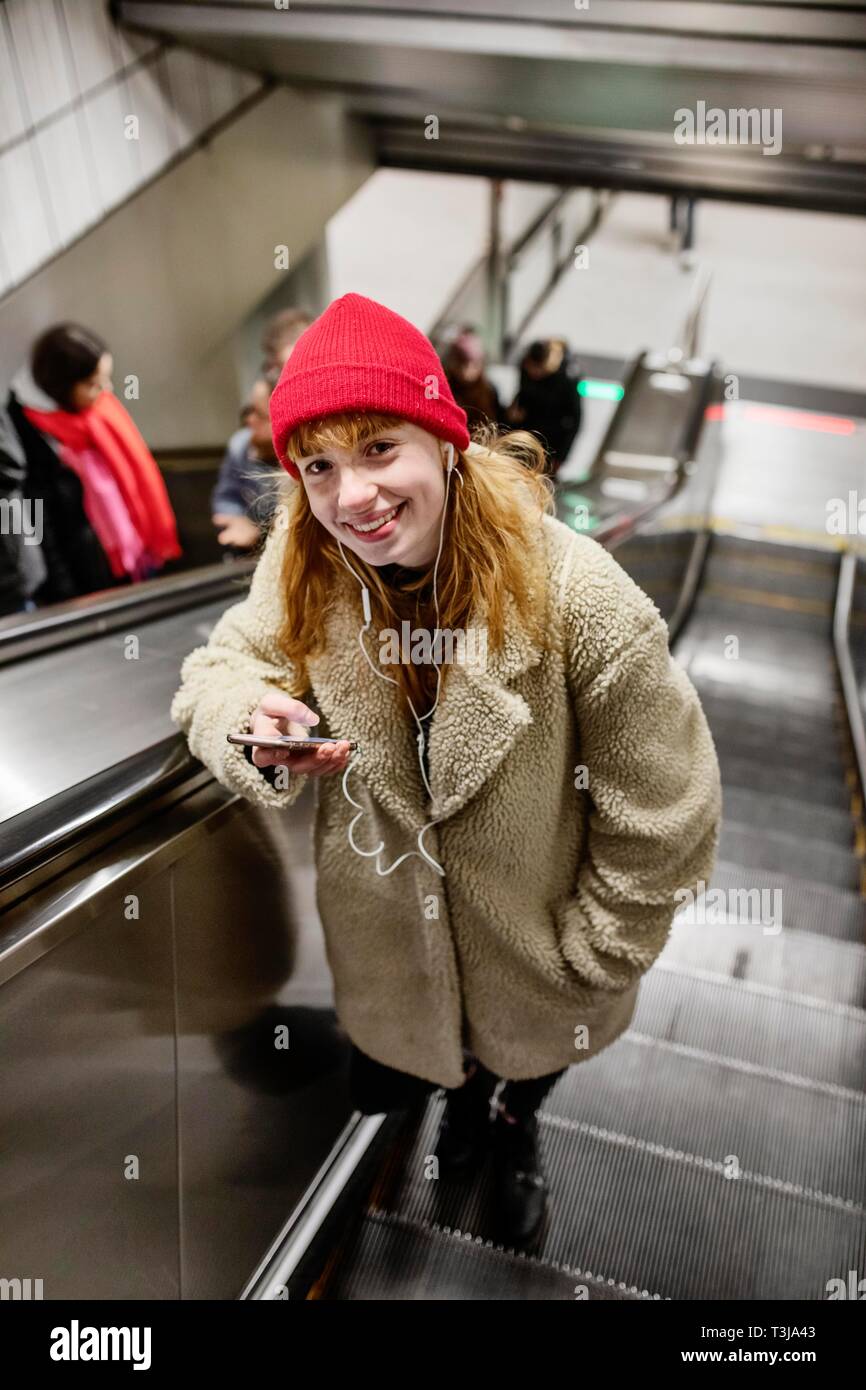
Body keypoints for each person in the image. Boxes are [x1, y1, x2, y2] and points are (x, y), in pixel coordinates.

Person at [170, 293, 722, 1250]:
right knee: (427, 1070)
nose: (352, 498)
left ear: (444, 441)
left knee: (522, 1070)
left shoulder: (579, 597)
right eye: (319, 466)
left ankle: (510, 1126)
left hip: (541, 955)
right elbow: (218, 670)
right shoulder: (304, 560)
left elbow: (667, 808)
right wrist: (241, 718)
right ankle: (464, 1115)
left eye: (379, 448)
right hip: (389, 956)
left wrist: (591, 959)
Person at [0, 323, 181, 616]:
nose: (106, 391)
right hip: (84, 576)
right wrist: (65, 596)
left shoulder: (99, 412)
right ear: (61, 386)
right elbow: (37, 523)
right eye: (94, 384)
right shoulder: (25, 437)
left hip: (132, 557)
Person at [211, 370, 283, 554]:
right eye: (249, 410)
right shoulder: (241, 446)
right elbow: (226, 498)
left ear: (282, 417)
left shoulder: (303, 457)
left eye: (259, 415)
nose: (249, 421)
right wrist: (238, 519)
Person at [507, 338, 582, 474]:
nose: (534, 373)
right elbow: (522, 393)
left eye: (539, 369)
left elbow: (575, 420)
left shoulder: (567, 377)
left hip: (552, 442)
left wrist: (561, 457)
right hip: (526, 434)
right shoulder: (525, 367)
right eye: (531, 367)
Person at [441, 326, 506, 434]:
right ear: (454, 361)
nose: (468, 370)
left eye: (474, 364)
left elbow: (497, 425)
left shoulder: (489, 391)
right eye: (463, 363)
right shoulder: (445, 388)